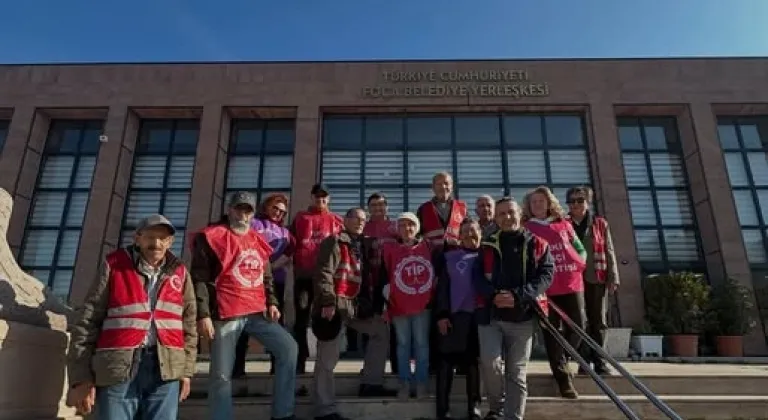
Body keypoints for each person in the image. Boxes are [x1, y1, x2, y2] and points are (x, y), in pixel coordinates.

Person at [66, 214, 197, 420]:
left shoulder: (180, 272)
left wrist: (186, 371)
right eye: (150, 237)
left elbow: (189, 326)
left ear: (170, 242)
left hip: (166, 369)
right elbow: (87, 321)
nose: (156, 243)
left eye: (163, 238)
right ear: (137, 238)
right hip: (118, 368)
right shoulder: (114, 266)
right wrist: (81, 378)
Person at [192, 191, 299, 420]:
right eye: (239, 208)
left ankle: (283, 413)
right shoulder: (211, 236)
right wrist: (203, 314)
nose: (243, 214)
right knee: (221, 373)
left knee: (289, 348)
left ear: (252, 214)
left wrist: (272, 301)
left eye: (247, 210)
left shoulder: (256, 238)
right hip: (226, 312)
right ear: (229, 209)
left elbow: (266, 275)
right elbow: (199, 278)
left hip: (257, 311)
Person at [311, 207, 395, 420]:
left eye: (363, 219)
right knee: (327, 358)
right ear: (345, 220)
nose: (359, 222)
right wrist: (328, 301)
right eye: (355, 218)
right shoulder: (333, 242)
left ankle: (371, 384)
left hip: (356, 306)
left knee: (380, 331)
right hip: (335, 305)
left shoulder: (365, 245)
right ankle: (324, 409)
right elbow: (324, 273)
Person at [476, 198, 554, 420]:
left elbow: (546, 276)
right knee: (490, 364)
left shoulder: (538, 244)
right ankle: (496, 409)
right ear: (496, 218)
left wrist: (518, 296)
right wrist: (494, 295)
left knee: (516, 373)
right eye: (501, 214)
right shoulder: (487, 243)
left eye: (510, 212)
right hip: (492, 316)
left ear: (520, 214)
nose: (507, 217)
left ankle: (513, 416)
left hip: (523, 318)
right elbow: (477, 276)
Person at [522, 186, 587, 399]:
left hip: (570, 283)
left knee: (578, 325)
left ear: (549, 203)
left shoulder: (564, 224)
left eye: (541, 201)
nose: (538, 205)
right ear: (529, 207)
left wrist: (581, 261)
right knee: (552, 333)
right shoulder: (527, 228)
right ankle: (563, 380)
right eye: (534, 202)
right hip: (545, 288)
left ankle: (564, 356)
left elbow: (580, 248)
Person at [230, 193, 295, 377]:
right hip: (249, 281)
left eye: (282, 211)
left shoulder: (285, 232)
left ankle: (277, 367)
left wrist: (271, 267)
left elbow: (290, 253)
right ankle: (237, 368)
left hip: (276, 282)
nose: (278, 213)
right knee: (243, 324)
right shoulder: (254, 224)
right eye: (275, 208)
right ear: (266, 206)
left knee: (276, 322)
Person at [379, 212, 436, 400]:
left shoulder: (428, 247)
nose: (406, 229)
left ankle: (421, 383)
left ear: (417, 227)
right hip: (399, 305)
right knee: (402, 345)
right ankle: (404, 383)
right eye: (402, 225)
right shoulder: (390, 249)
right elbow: (383, 275)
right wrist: (386, 299)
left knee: (421, 344)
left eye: (410, 224)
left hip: (423, 305)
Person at [416, 171, 468, 374]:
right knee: (435, 313)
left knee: (457, 312)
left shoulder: (462, 208)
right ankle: (435, 362)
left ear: (452, 186)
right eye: (438, 184)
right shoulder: (423, 209)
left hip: (457, 267)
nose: (443, 187)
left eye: (446, 184)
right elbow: (418, 238)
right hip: (432, 267)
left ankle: (459, 361)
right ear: (432, 187)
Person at [565, 186, 620, 376]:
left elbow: (609, 250)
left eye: (580, 200)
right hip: (572, 280)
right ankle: (584, 363)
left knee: (598, 321)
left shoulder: (599, 223)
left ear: (588, 202)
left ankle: (601, 361)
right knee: (580, 322)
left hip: (596, 276)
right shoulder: (563, 224)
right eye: (572, 201)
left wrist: (613, 276)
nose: (576, 204)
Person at [434, 219, 484, 420]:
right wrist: (442, 315)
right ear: (459, 236)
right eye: (465, 232)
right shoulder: (450, 257)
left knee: (473, 363)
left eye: (473, 230)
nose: (469, 235)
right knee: (446, 362)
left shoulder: (488, 255)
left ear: (480, 232)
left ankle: (474, 407)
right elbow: (442, 289)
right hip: (455, 315)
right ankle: (443, 410)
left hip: (481, 315)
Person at [291, 184, 344, 373]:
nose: (320, 200)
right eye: (317, 197)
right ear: (311, 197)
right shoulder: (300, 218)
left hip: (325, 279)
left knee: (325, 318)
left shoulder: (336, 220)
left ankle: (325, 364)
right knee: (301, 319)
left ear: (328, 199)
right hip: (304, 277)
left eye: (324, 197)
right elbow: (290, 243)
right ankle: (299, 362)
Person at [362, 192, 399, 375]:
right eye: (374, 205)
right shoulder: (364, 228)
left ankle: (396, 366)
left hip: (393, 284)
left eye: (381, 205)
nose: (378, 208)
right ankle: (370, 367)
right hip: (369, 284)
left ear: (387, 207)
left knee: (394, 327)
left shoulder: (396, 227)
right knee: (374, 327)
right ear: (368, 208)